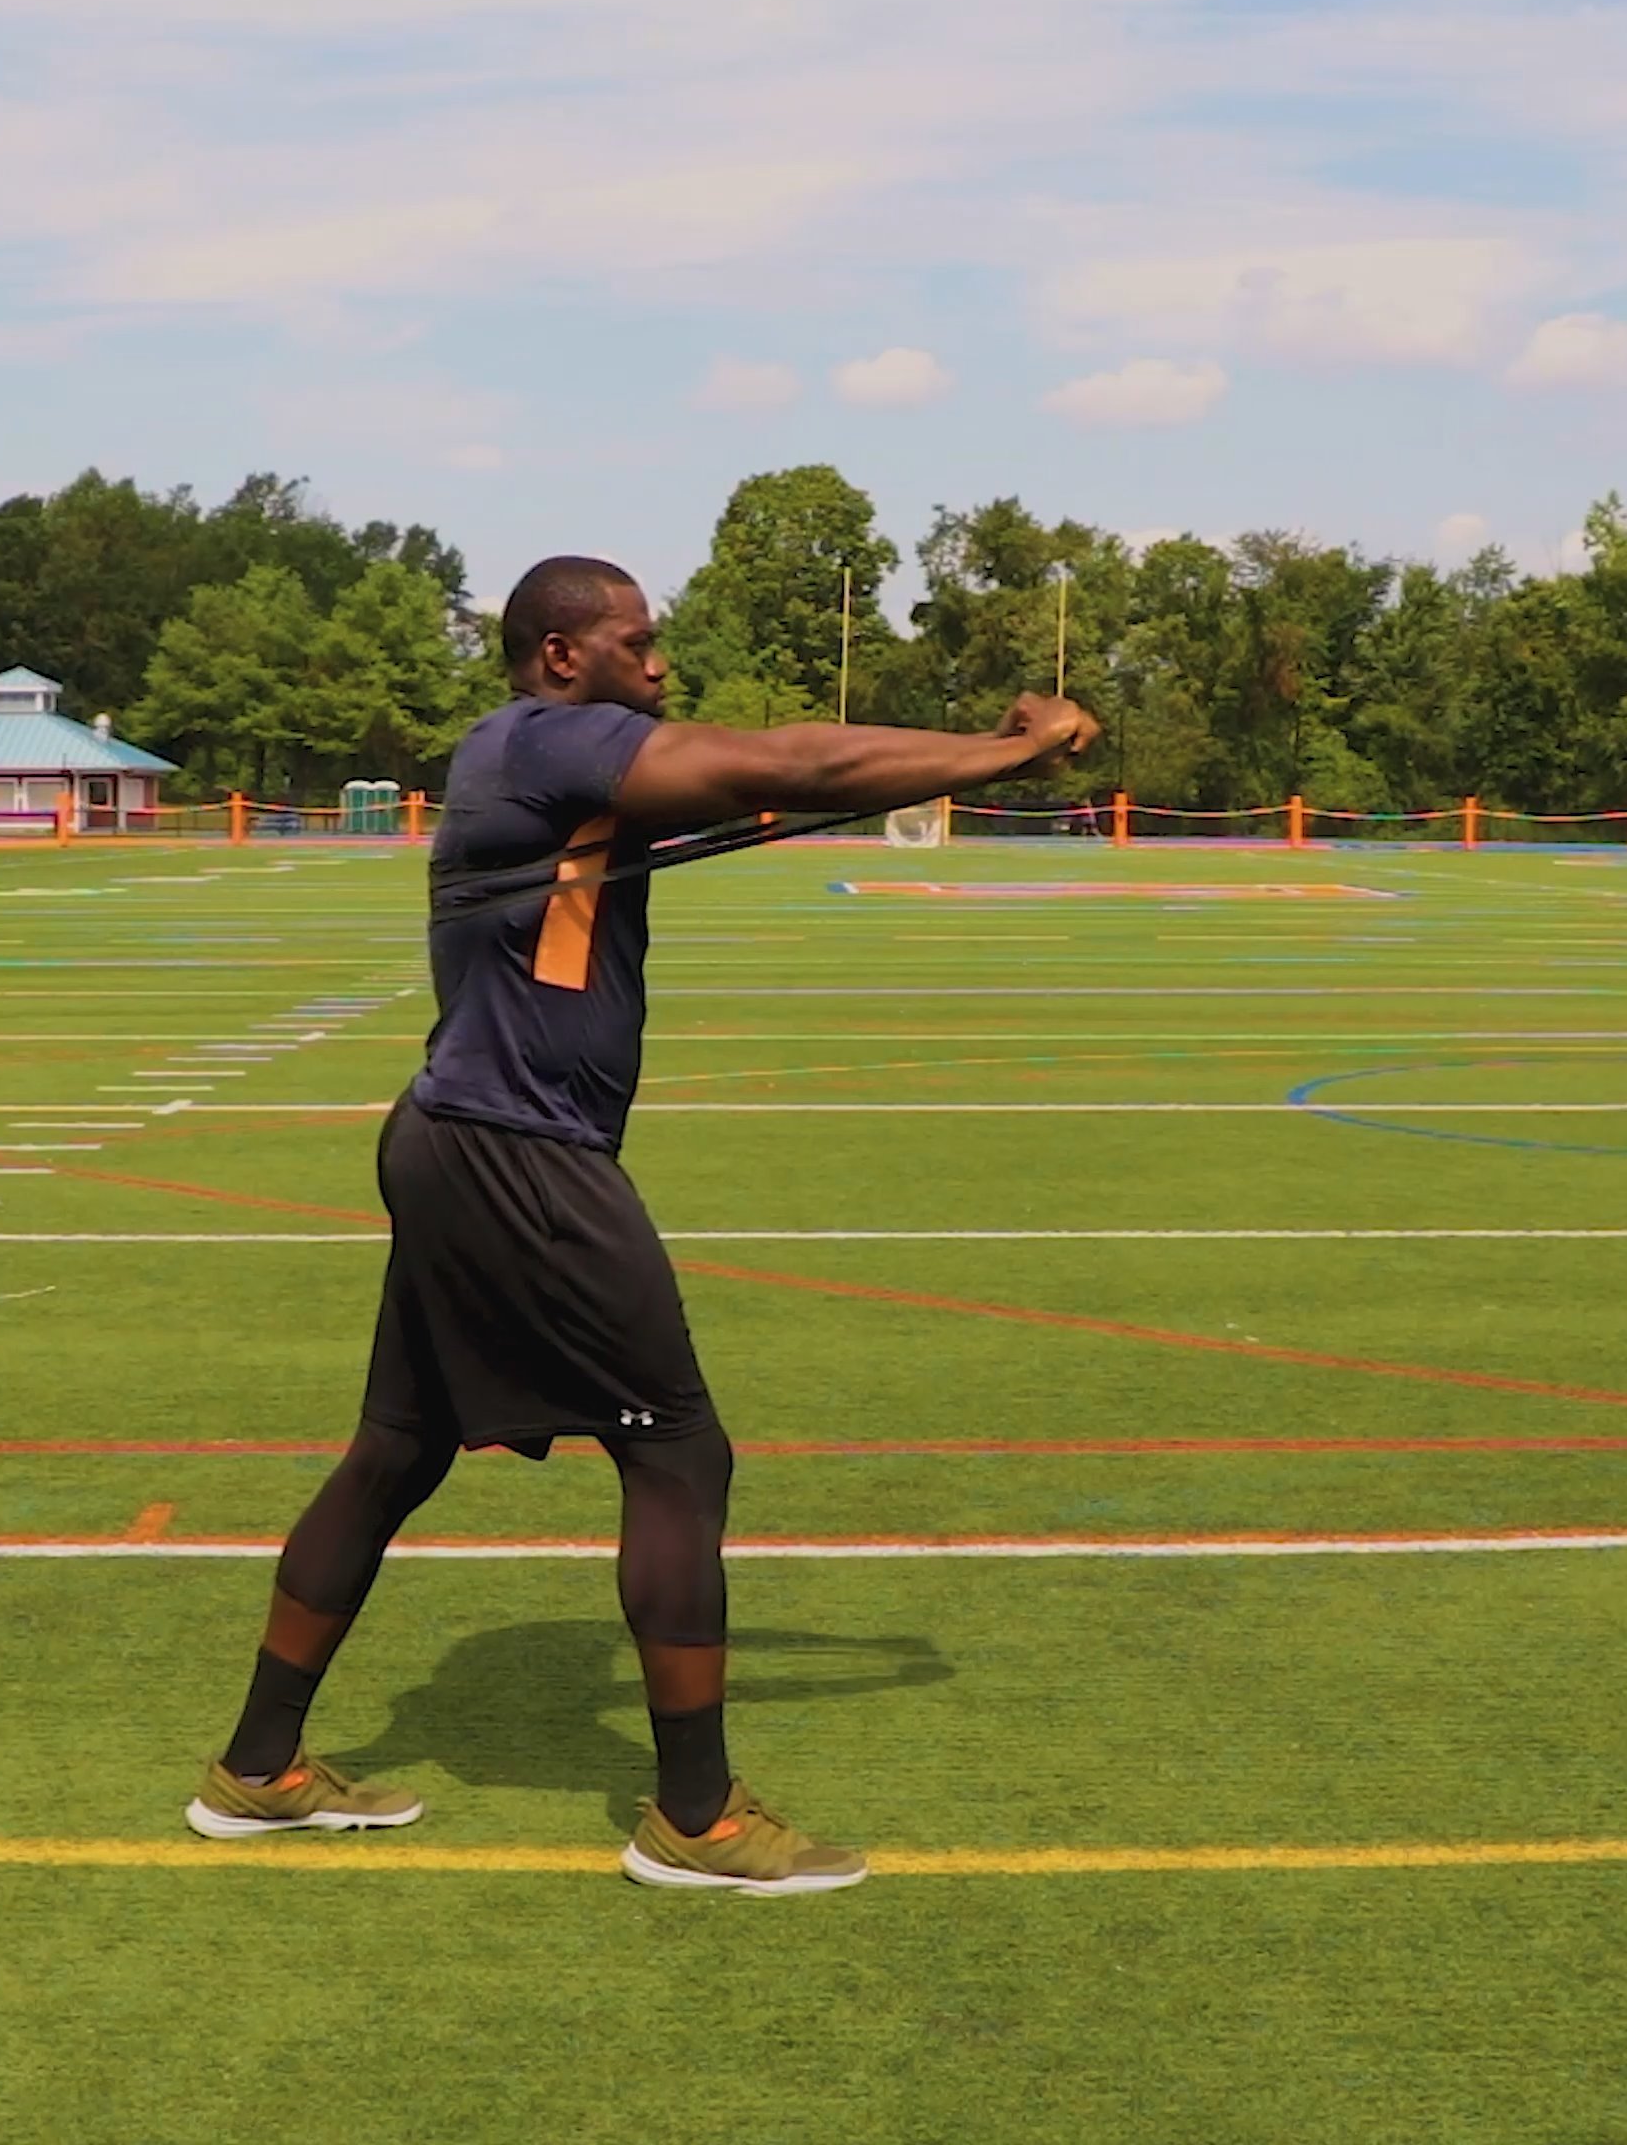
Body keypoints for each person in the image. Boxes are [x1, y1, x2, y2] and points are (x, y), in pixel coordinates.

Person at [187, 553, 1096, 1895]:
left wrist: (982, 754)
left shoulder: (535, 756)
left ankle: (257, 1768)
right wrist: (1008, 750)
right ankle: (696, 1819)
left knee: (396, 1450)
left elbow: (785, 776)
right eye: (638, 643)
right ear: (563, 655)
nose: (660, 664)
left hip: (454, 1136)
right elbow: (795, 762)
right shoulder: (549, 741)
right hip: (517, 1154)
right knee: (676, 1451)